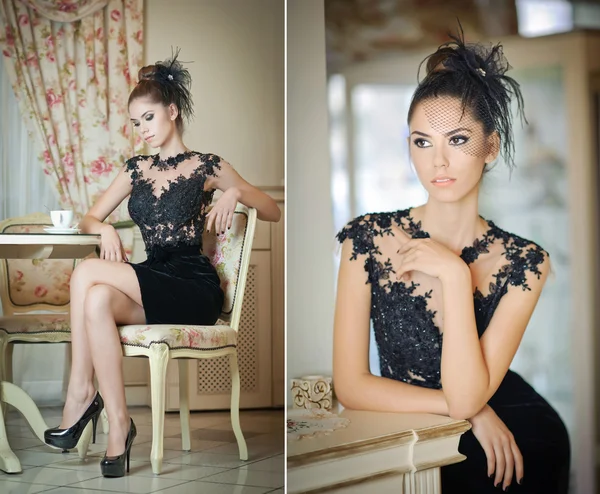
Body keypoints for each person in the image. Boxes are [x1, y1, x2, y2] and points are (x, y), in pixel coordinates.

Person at [333, 26, 570, 493]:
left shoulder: (525, 262)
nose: (438, 161)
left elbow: (468, 391)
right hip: (442, 423)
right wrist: (472, 411)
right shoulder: (366, 239)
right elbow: (352, 386)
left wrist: (454, 274)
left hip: (518, 434)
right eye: (422, 142)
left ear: (491, 146)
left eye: (457, 140)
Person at [43, 52, 281, 478]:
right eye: (136, 123)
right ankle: (120, 426)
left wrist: (235, 193)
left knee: (86, 272)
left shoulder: (207, 165)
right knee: (96, 299)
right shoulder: (136, 169)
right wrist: (106, 230)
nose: (144, 131)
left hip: (192, 286)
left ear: (172, 112)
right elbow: (89, 216)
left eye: (149, 118)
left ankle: (80, 393)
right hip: (154, 277)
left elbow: (271, 209)